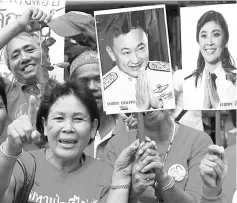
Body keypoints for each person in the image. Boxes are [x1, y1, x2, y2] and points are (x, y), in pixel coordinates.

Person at [0, 79, 143, 203]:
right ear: (44, 125)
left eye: (78, 119)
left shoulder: (104, 174)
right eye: (59, 118)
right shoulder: (23, 165)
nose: (68, 128)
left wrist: (123, 179)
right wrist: (10, 148)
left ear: (93, 128)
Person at [104, 109, 213, 203]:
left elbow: (199, 199)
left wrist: (163, 179)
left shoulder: (198, 141)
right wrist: (132, 192)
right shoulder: (116, 145)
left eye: (156, 88)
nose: (149, 103)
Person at [96, 10, 174, 114]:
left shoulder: (167, 73)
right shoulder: (106, 89)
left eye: (140, 48)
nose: (136, 60)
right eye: (127, 53)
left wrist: (159, 105)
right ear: (111, 53)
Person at [0, 7, 55, 150]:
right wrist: (19, 25)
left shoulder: (65, 91)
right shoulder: (4, 92)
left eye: (30, 50)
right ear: (9, 67)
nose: (24, 58)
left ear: (45, 54)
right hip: (12, 170)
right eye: (15, 56)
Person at [69, 50, 137, 160]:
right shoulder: (66, 133)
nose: (92, 87)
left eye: (98, 79)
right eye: (84, 81)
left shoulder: (131, 130)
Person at [184, 10, 237, 110]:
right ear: (198, 42)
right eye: (204, 36)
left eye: (216, 35)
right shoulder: (187, 84)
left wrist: (218, 106)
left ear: (225, 41)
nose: (209, 42)